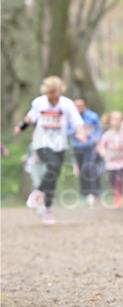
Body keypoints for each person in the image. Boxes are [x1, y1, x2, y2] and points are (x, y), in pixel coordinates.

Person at [13, 76, 85, 224]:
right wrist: (20, 127)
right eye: (50, 93)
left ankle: (47, 208)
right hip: (41, 142)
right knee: (53, 165)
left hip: (60, 144)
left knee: (52, 177)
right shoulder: (39, 103)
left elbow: (76, 120)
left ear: (60, 91)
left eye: (55, 92)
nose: (52, 96)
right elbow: (30, 118)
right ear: (46, 92)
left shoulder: (66, 104)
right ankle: (37, 193)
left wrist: (80, 133)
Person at [70, 97, 101, 204]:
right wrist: (76, 135)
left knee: (89, 168)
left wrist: (94, 138)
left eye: (81, 106)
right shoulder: (71, 118)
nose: (79, 108)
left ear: (85, 105)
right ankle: (84, 194)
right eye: (76, 106)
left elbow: (98, 129)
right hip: (77, 147)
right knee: (80, 170)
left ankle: (93, 193)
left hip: (90, 147)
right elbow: (68, 130)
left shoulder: (92, 116)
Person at [97, 111, 123, 209]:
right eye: (114, 119)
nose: (116, 121)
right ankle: (118, 196)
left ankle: (118, 199)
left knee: (118, 180)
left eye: (119, 119)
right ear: (110, 121)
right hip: (110, 163)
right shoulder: (107, 135)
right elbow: (100, 146)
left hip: (122, 163)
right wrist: (104, 154)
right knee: (112, 180)